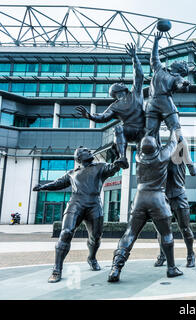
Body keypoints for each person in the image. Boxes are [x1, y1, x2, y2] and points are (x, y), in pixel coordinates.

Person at [33, 147, 121, 283]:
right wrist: (43, 187)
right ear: (79, 158)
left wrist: (118, 155)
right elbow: (57, 184)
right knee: (66, 233)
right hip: (76, 204)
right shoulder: (72, 173)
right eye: (86, 151)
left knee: (96, 237)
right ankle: (57, 270)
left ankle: (91, 257)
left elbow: (115, 167)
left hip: (94, 204)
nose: (90, 151)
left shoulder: (100, 167)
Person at [108, 130, 183, 282]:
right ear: (157, 147)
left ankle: (115, 268)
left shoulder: (138, 157)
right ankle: (171, 268)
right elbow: (173, 142)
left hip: (140, 199)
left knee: (129, 234)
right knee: (166, 234)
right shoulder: (163, 156)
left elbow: (137, 141)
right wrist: (174, 130)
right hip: (158, 199)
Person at [75, 43, 145, 169]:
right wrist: (90, 116)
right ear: (116, 91)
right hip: (131, 131)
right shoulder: (114, 106)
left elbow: (139, 75)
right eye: (119, 83)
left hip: (145, 129)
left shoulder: (135, 93)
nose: (122, 82)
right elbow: (103, 117)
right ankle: (122, 158)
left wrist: (134, 57)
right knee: (118, 128)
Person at [145, 31, 196, 176]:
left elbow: (180, 86)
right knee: (150, 135)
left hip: (166, 103)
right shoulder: (159, 69)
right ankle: (153, 162)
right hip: (152, 104)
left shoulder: (177, 77)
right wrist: (155, 41)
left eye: (182, 63)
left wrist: (185, 84)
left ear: (180, 69)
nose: (179, 61)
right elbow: (153, 57)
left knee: (177, 133)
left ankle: (189, 163)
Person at [154, 146, 195, 268]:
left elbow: (183, 142)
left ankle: (191, 255)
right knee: (161, 231)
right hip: (164, 198)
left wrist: (191, 166)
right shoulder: (160, 159)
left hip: (179, 196)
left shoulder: (180, 155)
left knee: (185, 228)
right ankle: (163, 255)